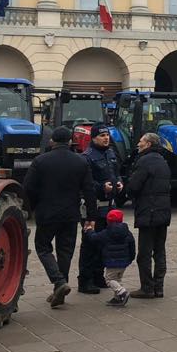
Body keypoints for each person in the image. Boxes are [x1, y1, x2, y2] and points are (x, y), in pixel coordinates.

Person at [24, 126, 97, 308]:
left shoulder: (40, 161)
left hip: (46, 213)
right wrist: (91, 216)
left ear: (52, 141)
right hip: (71, 214)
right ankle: (60, 288)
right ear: (71, 141)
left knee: (43, 248)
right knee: (65, 251)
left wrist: (31, 208)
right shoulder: (80, 161)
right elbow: (89, 190)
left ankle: (58, 282)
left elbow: (28, 188)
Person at [78, 123, 122, 294]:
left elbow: (116, 172)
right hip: (93, 206)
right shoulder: (86, 157)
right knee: (90, 243)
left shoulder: (111, 153)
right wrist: (102, 187)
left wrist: (119, 182)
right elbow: (86, 183)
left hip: (109, 206)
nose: (106, 138)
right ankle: (85, 280)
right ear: (94, 137)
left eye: (107, 135)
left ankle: (98, 276)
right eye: (102, 136)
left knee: (104, 243)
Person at [128, 132, 172, 299]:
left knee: (144, 254)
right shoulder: (163, 161)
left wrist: (127, 189)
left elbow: (134, 186)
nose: (138, 144)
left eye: (140, 141)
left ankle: (147, 287)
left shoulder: (144, 161)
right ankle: (158, 287)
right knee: (159, 251)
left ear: (147, 144)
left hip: (149, 212)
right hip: (163, 212)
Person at [84, 208, 135, 307]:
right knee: (117, 279)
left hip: (112, 262)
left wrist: (89, 230)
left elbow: (94, 238)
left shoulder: (107, 232)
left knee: (109, 279)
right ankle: (117, 298)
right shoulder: (127, 232)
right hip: (124, 262)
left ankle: (122, 292)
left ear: (108, 221)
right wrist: (130, 258)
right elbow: (132, 246)